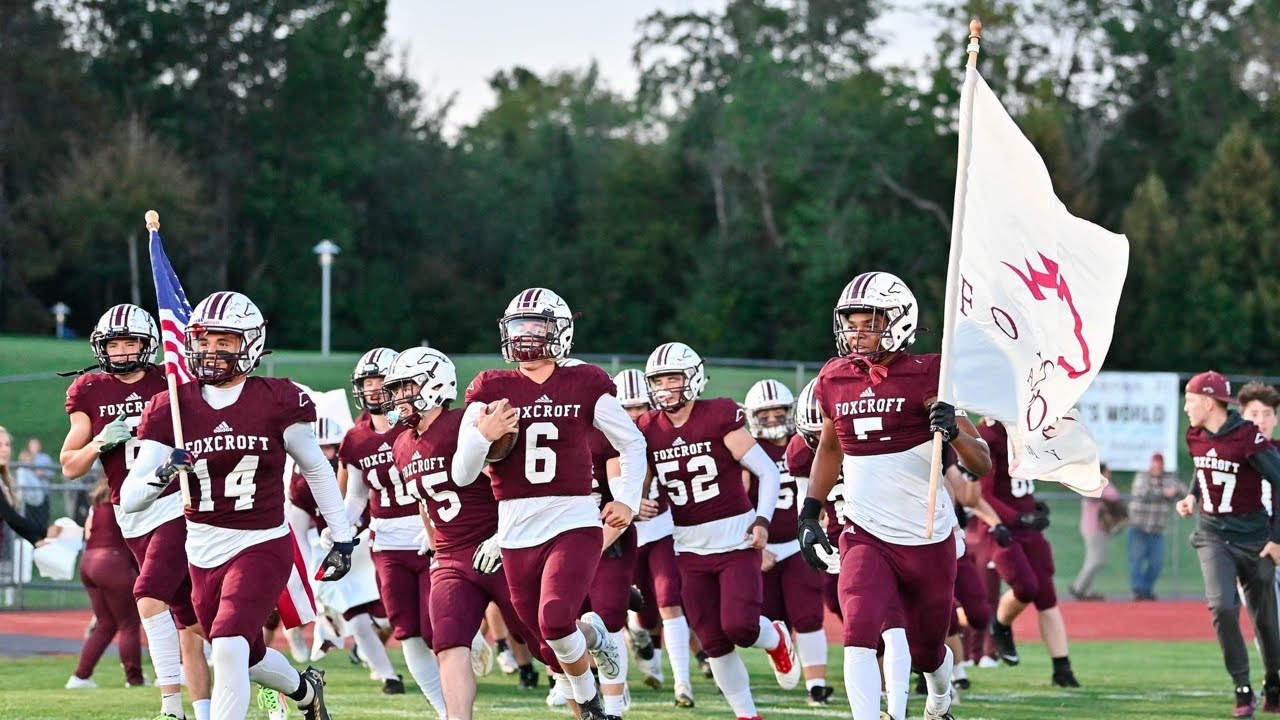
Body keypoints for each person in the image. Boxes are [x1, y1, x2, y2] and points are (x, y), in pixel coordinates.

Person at [121, 290, 355, 720]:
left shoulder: (276, 399)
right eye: (205, 341)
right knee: (245, 655)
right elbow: (133, 499)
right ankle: (307, 692)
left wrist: (342, 537)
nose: (211, 352)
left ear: (250, 344)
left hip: (261, 541)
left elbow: (318, 469)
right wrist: (165, 473)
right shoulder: (172, 407)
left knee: (228, 645)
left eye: (224, 342)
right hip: (202, 547)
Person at [797, 271, 992, 720]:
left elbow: (980, 461)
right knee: (859, 629)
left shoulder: (930, 375)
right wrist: (810, 512)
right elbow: (829, 447)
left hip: (926, 538)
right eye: (851, 322)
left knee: (928, 652)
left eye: (870, 322)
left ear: (899, 321)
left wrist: (953, 433)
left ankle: (939, 701)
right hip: (865, 533)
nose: (857, 333)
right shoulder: (834, 377)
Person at [457, 287, 646, 720]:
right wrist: (483, 436)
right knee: (545, 643)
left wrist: (628, 500)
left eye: (535, 326)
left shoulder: (585, 381)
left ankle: (592, 706)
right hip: (517, 525)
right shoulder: (490, 386)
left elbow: (631, 441)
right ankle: (596, 638)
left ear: (559, 331)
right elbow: (463, 474)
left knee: (557, 617)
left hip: (573, 519)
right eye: (518, 327)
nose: (525, 336)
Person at [58, 303, 211, 720]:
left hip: (175, 503)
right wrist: (99, 443)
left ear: (148, 346)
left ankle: (170, 708)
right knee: (195, 627)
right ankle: (274, 682)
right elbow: (70, 466)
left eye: (131, 343)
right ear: (101, 347)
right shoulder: (89, 390)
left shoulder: (171, 380)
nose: (123, 352)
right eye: (115, 344)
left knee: (147, 596)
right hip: (131, 513)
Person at [639, 341, 799, 720]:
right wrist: (634, 504)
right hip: (689, 547)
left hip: (735, 539)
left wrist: (761, 521)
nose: (665, 387)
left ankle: (774, 637)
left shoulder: (719, 415)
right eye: (659, 380)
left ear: (692, 378)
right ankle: (747, 715)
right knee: (713, 642)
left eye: (673, 378)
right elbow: (639, 483)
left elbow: (767, 471)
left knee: (741, 627)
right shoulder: (648, 428)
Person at [384, 346, 530, 720]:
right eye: (396, 389)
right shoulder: (401, 444)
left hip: (495, 547)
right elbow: (425, 501)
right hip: (450, 558)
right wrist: (435, 549)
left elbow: (510, 484)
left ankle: (590, 683)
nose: (399, 397)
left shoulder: (464, 423)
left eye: (406, 387)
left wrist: (504, 536)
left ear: (434, 384)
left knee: (544, 638)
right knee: (447, 642)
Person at [1175, 370, 1280, 717]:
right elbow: (1204, 468)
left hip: (1255, 539)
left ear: (1208, 402)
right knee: (1221, 606)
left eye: (1190, 400)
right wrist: (1192, 496)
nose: (1186, 408)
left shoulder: (1249, 438)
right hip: (1212, 535)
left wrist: (1277, 540)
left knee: (1266, 621)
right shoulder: (1194, 434)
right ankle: (1241, 687)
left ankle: (1275, 682)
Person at [743, 378, 833, 707]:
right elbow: (738, 500)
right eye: (764, 415)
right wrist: (756, 545)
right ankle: (785, 657)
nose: (772, 420)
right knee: (766, 617)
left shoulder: (805, 444)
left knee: (808, 614)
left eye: (778, 412)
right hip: (762, 546)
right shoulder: (748, 449)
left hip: (797, 542)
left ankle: (817, 686)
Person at [974, 418, 1080, 687]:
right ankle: (1000, 625)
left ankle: (1062, 669)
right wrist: (1017, 518)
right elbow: (982, 495)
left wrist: (1035, 507)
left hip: (1026, 528)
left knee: (1046, 594)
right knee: (1026, 587)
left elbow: (1021, 486)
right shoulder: (987, 437)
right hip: (999, 528)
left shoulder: (1023, 432)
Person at [618, 368, 696, 709]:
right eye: (627, 408)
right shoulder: (602, 437)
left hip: (662, 527)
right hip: (622, 533)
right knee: (639, 610)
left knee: (669, 599)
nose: (635, 415)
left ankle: (683, 683)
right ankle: (638, 638)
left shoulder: (661, 431)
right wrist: (629, 506)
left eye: (640, 407)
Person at [66, 475, 144, 689]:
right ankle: (134, 679)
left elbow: (88, 532)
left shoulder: (97, 504)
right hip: (112, 562)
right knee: (129, 623)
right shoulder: (126, 500)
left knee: (106, 624)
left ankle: (80, 677)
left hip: (88, 563)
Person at [1127, 452, 1185, 601]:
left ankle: (1147, 589)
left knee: (1156, 563)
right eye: (1154, 464)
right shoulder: (1142, 477)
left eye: (1159, 465)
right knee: (1136, 561)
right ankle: (1137, 591)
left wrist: (1175, 492)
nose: (1157, 468)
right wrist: (1164, 493)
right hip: (1138, 526)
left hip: (1157, 529)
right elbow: (1144, 494)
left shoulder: (1169, 478)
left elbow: (1183, 491)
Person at [1070, 463, 1125, 601]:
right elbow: (1106, 496)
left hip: (1101, 529)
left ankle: (1085, 590)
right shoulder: (1094, 485)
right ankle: (1078, 587)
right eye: (1107, 471)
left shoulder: (1102, 485)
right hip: (1093, 528)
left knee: (1096, 560)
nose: (1109, 474)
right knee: (1095, 560)